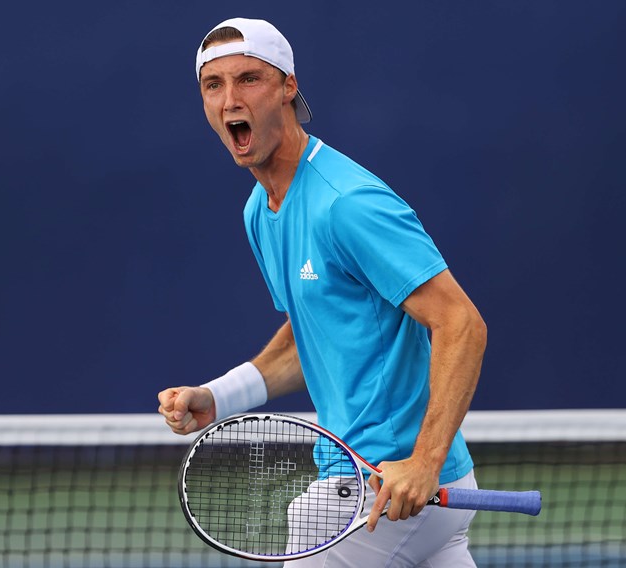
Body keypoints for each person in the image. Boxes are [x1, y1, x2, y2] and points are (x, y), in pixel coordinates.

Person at [158, 17, 487, 567]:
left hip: (382, 489)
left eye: (249, 80)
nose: (230, 99)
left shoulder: (349, 203)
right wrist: (219, 397)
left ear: (288, 86)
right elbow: (309, 334)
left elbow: (460, 323)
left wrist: (423, 462)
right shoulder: (260, 213)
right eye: (213, 86)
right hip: (408, 489)